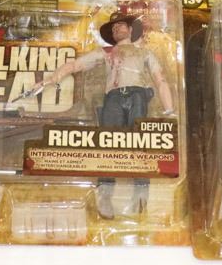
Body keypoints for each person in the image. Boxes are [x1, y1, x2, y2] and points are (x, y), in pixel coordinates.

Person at [35, 12, 175, 218]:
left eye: (120, 26)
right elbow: (76, 65)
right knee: (108, 144)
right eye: (113, 28)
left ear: (130, 29)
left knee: (141, 145)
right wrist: (50, 79)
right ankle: (105, 195)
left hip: (137, 95)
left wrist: (169, 110)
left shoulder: (144, 53)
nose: (116, 29)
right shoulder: (107, 52)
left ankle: (141, 194)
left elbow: (160, 80)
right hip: (113, 98)